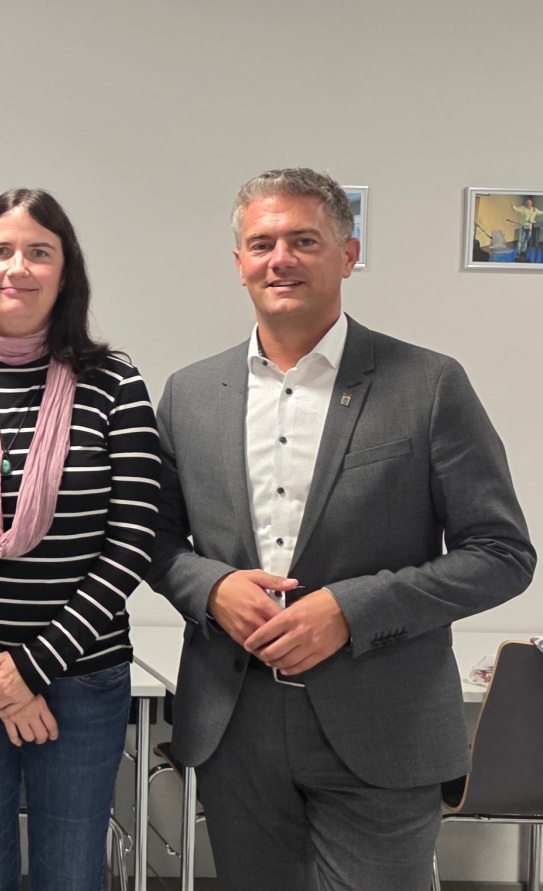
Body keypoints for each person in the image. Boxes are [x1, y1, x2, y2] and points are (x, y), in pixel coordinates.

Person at [148, 167, 535, 891]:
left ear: (346, 254)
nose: (280, 258)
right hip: (235, 726)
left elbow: (502, 553)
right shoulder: (189, 393)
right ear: (238, 264)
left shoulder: (427, 384)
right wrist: (214, 586)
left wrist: (349, 609)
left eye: (303, 239)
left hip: (382, 723)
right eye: (260, 243)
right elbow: (155, 539)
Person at [0, 188, 160, 891]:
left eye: (38, 251)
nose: (18, 266)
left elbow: (133, 536)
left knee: (70, 873)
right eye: (0, 250)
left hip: (80, 676)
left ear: (64, 272)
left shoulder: (114, 386)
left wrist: (32, 669)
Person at [513, 195, 539, 261]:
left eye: (529, 203)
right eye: (527, 203)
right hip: (522, 226)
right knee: (520, 240)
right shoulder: (522, 208)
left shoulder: (534, 210)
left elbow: (540, 212)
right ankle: (518, 252)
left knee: (526, 240)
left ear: (531, 204)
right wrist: (513, 206)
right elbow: (516, 209)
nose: (528, 204)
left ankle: (523, 251)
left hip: (529, 227)